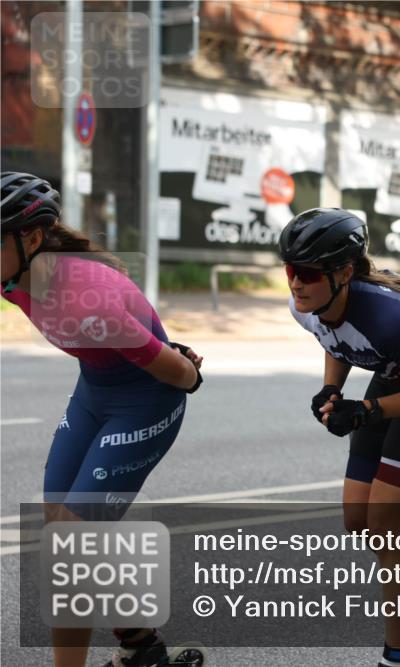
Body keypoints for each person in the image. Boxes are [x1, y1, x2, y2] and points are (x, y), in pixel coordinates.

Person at [0, 171, 204, 667]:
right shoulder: (12, 278)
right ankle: (140, 644)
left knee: (71, 544)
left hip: (148, 400)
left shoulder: (87, 301)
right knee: (60, 525)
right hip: (94, 393)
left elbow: (180, 375)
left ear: (30, 237)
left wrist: (189, 367)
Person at [279, 208, 400, 667]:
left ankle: (395, 654)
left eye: (307, 272)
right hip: (396, 378)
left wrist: (368, 409)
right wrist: (334, 389)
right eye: (290, 270)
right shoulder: (308, 303)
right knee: (358, 520)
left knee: (388, 526)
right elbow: (335, 340)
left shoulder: (389, 318)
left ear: (344, 273)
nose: (295, 282)